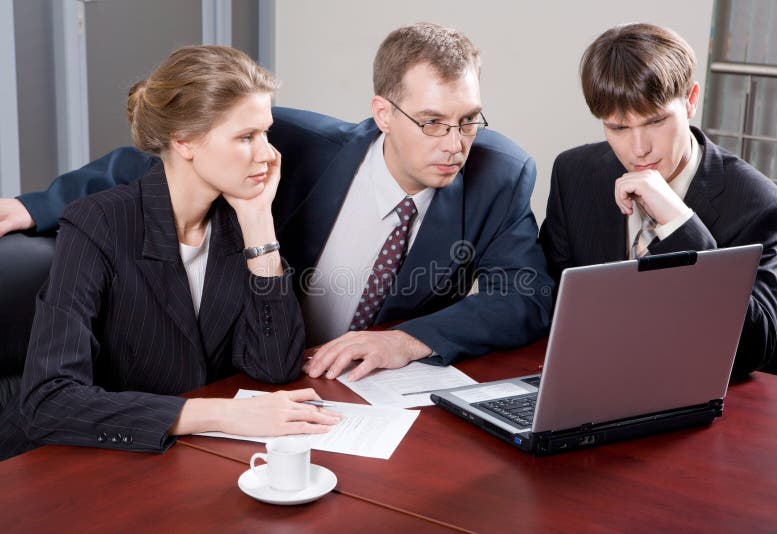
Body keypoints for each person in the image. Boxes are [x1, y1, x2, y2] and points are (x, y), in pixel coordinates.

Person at [0, 23, 554, 382]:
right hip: (256, 368)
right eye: (432, 122)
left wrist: (408, 340)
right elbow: (159, 160)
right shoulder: (296, 145)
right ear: (383, 114)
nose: (454, 144)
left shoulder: (497, 174)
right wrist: (36, 206)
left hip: (366, 391)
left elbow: (524, 298)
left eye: (467, 121)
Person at [0, 45, 340, 461]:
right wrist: (221, 415)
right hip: (88, 461)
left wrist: (258, 223)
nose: (268, 154)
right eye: (246, 137)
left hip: (189, 459)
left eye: (266, 133)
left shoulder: (239, 220)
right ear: (185, 141)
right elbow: (48, 401)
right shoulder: (97, 225)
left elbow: (274, 366)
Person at [539, 23, 777, 377]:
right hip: (589, 380)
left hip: (687, 389)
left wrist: (679, 224)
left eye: (656, 121)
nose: (639, 148)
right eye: (618, 128)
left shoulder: (756, 204)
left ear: (691, 100)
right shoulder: (574, 174)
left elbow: (751, 350)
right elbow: (544, 300)